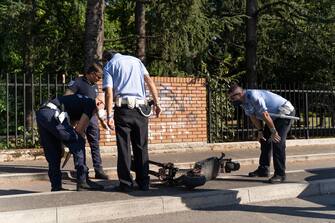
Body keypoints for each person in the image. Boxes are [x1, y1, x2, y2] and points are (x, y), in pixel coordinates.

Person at [102, 51, 162, 191]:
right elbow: (149, 81)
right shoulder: (136, 61)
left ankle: (126, 184)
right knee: (141, 146)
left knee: (124, 147)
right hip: (141, 109)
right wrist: (157, 103)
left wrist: (109, 115)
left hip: (123, 110)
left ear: (107, 59)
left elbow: (109, 93)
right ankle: (144, 182)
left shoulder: (110, 65)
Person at [228, 84, 295, 183]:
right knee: (264, 140)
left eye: (233, 98)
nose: (232, 100)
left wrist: (274, 132)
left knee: (277, 142)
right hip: (273, 117)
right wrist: (260, 131)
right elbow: (253, 116)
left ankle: (280, 174)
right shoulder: (244, 102)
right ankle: (263, 169)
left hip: (285, 113)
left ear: (240, 94)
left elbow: (265, 114)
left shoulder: (253, 96)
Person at [36, 94, 105, 191]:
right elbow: (78, 131)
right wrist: (73, 144)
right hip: (54, 114)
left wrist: (68, 141)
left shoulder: (80, 102)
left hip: (43, 113)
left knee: (53, 152)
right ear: (99, 103)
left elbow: (71, 127)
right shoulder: (91, 104)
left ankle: (56, 186)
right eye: (104, 106)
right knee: (79, 142)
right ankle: (82, 181)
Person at [64, 63, 109, 180]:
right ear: (92, 73)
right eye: (98, 77)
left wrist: (102, 120)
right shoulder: (77, 82)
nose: (99, 80)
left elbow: (95, 102)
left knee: (95, 144)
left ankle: (98, 170)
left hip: (92, 118)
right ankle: (82, 171)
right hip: (80, 119)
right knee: (79, 145)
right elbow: (67, 97)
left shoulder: (94, 86)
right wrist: (73, 119)